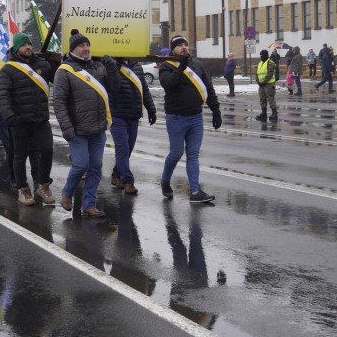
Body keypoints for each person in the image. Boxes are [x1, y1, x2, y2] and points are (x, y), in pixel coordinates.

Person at [52, 30, 119, 217]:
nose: (86, 48)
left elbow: (114, 88)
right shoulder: (64, 71)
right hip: (77, 129)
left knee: (96, 168)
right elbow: (59, 101)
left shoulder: (98, 67)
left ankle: (89, 205)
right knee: (81, 165)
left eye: (87, 45)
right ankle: (67, 192)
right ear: (73, 49)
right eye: (82, 46)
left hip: (98, 128)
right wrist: (66, 126)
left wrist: (112, 68)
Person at [159, 35, 221, 203]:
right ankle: (165, 181)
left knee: (193, 155)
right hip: (176, 118)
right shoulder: (166, 66)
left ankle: (194, 191)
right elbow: (169, 84)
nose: (184, 47)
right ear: (173, 50)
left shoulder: (198, 65)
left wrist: (216, 111)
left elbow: (208, 89)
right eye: (179, 45)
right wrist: (181, 67)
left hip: (195, 118)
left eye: (186, 44)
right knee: (176, 153)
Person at [0, 32, 55, 206]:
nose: (28, 47)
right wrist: (9, 115)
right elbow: (3, 94)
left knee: (47, 150)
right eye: (24, 45)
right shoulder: (8, 69)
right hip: (19, 120)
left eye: (29, 44)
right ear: (16, 47)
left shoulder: (42, 64)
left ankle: (43, 185)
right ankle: (23, 190)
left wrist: (57, 60)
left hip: (40, 119)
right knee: (19, 156)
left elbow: (59, 76)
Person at [108, 57, 156, 194]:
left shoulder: (137, 67)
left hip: (134, 115)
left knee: (128, 149)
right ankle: (128, 181)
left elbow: (144, 90)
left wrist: (151, 110)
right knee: (122, 148)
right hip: (117, 114)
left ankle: (116, 175)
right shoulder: (111, 65)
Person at [254, 49, 278, 121]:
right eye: (260, 55)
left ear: (266, 55)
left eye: (262, 55)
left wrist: (264, 81)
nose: (261, 57)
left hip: (269, 84)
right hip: (261, 85)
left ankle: (274, 113)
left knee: (271, 98)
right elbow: (257, 74)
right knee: (262, 98)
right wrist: (258, 82)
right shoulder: (260, 63)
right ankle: (263, 113)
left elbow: (270, 73)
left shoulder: (270, 63)